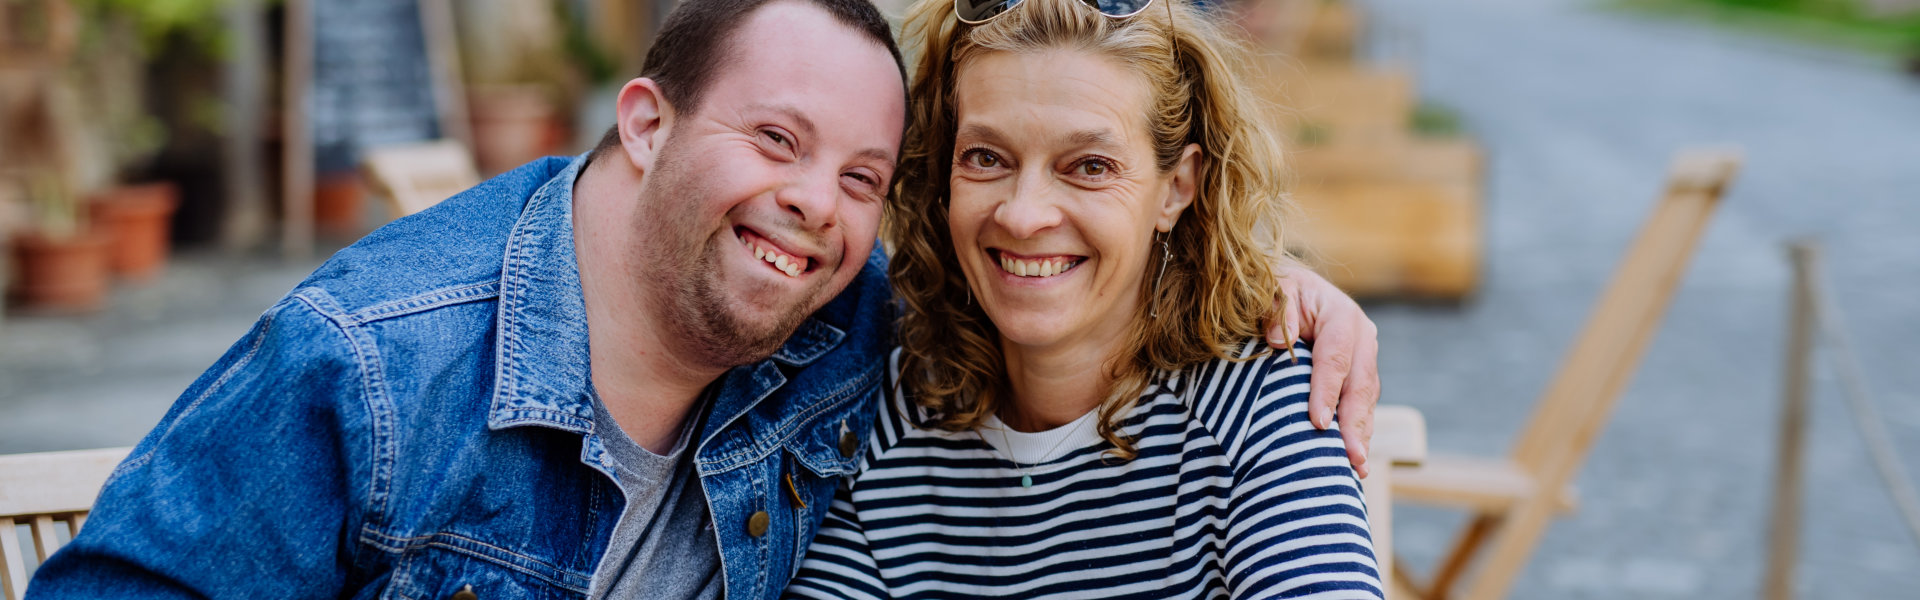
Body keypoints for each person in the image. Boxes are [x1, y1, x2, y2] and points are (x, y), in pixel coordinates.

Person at [28, 0, 1377, 599]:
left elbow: (1049, 268)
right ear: (647, 121)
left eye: (861, 173)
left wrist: (1251, 281)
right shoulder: (379, 366)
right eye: (775, 141)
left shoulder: (853, 341)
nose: (815, 208)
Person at [783, 0, 1382, 597]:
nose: (1022, 214)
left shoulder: (1257, 404)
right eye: (986, 158)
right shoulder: (884, 419)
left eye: (1089, 166)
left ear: (1176, 188)